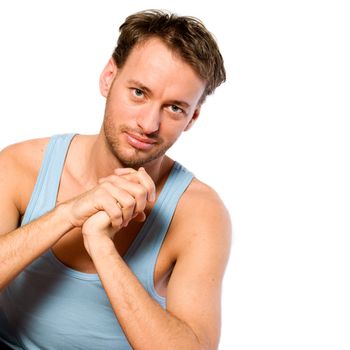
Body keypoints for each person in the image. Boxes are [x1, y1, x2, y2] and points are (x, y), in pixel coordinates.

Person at [0, 9, 231, 350]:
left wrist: (101, 246)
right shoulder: (22, 165)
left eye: (175, 108)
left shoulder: (200, 213)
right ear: (109, 77)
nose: (149, 124)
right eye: (139, 92)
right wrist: (69, 214)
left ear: (193, 116)